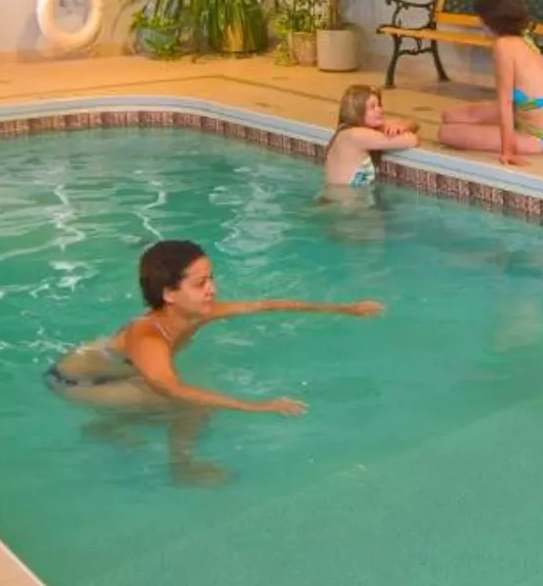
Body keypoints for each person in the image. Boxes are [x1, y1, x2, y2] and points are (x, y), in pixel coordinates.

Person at [46, 239, 383, 484]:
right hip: (74, 383)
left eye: (211, 278)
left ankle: (105, 428)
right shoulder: (148, 337)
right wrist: (257, 406)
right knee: (193, 407)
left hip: (118, 373)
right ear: (169, 293)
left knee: (172, 401)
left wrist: (345, 309)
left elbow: (265, 306)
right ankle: (182, 467)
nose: (212, 289)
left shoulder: (197, 312)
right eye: (200, 283)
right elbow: (171, 387)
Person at [436, 0, 543, 165]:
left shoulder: (503, 46)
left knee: (446, 133)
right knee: (449, 116)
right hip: (523, 114)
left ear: (490, 20)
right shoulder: (521, 36)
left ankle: (503, 138)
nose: (479, 24)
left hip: (536, 138)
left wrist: (508, 151)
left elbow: (505, 103)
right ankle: (494, 131)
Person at [323, 84, 421, 187]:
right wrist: (399, 130)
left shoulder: (346, 131)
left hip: (344, 195)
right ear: (358, 111)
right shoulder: (356, 135)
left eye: (379, 105)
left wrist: (401, 126)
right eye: (372, 107)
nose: (379, 110)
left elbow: (414, 123)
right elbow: (412, 140)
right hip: (347, 196)